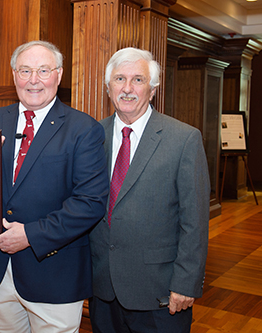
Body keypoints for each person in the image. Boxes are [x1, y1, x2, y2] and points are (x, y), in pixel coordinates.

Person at [0, 40, 109, 332]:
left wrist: (30, 235)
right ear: (14, 75)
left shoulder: (84, 129)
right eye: (25, 70)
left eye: (43, 71)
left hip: (54, 272)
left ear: (58, 75)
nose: (34, 80)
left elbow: (90, 202)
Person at [89, 47, 210, 332]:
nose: (127, 88)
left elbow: (195, 221)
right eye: (119, 79)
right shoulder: (93, 136)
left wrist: (186, 282)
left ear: (153, 90)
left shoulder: (183, 139)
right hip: (102, 288)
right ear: (108, 88)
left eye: (138, 80)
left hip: (160, 292)